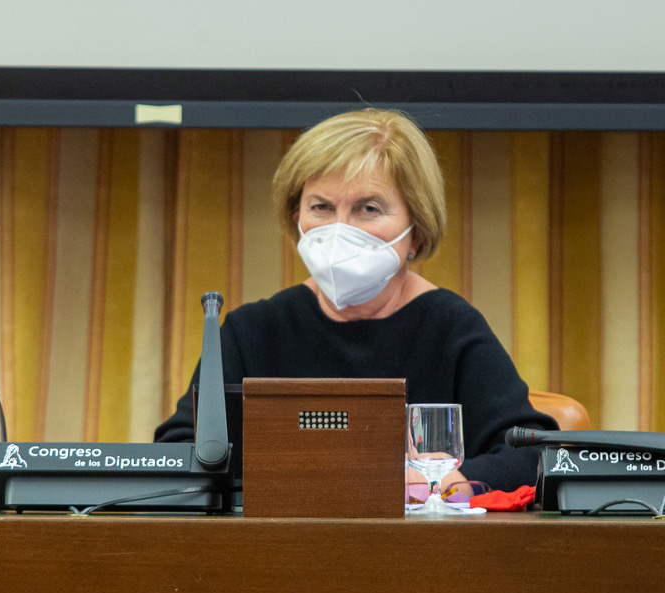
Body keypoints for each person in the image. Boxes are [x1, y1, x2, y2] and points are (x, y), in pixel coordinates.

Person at [155, 108, 556, 492]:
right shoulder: (252, 331)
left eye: (368, 208)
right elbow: (177, 451)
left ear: (416, 233)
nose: (340, 230)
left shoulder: (451, 327)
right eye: (321, 207)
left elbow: (532, 453)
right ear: (297, 219)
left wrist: (446, 483)